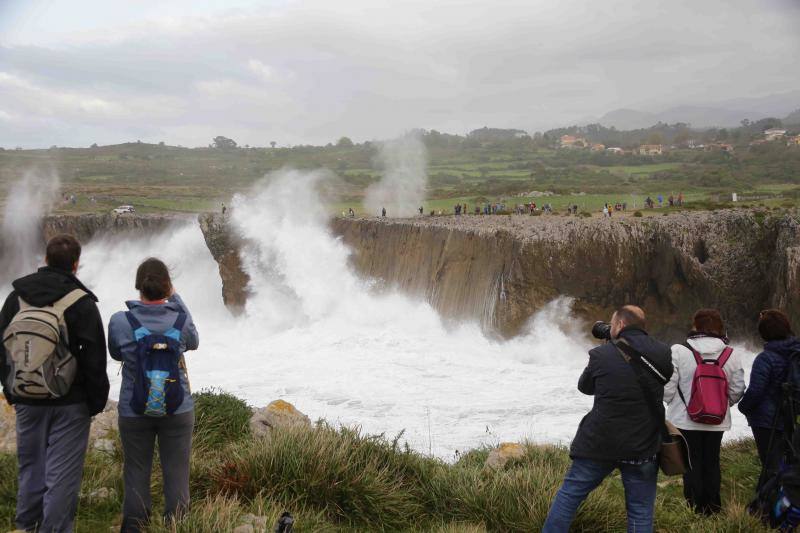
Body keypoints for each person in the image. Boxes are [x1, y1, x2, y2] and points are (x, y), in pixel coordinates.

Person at [0, 234, 109, 533]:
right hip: (70, 402)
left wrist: (11, 391)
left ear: (45, 260)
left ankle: (27, 526)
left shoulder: (15, 298)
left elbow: (2, 347)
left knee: (30, 466)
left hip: (25, 397)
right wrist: (94, 402)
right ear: (75, 265)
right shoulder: (81, 303)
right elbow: (95, 357)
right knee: (62, 474)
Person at [543, 306, 672, 533]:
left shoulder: (601, 355)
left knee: (569, 496)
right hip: (642, 445)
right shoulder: (663, 352)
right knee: (640, 511)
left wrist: (608, 351)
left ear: (620, 325)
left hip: (601, 443)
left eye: (612, 325)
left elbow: (585, 387)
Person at [108, 258, 199, 532]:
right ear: (167, 286)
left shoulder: (120, 321)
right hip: (178, 408)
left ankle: (135, 527)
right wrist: (176, 298)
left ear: (139, 286)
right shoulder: (181, 320)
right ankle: (177, 527)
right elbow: (193, 342)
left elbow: (114, 353)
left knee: (136, 470)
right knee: (177, 472)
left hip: (133, 410)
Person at [663, 309, 745, 515]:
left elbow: (667, 389)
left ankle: (694, 508)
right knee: (712, 461)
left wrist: (675, 405)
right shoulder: (731, 354)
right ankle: (713, 508)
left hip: (684, 419)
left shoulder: (679, 350)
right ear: (719, 328)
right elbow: (737, 390)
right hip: (717, 421)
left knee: (691, 463)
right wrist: (718, 407)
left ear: (695, 326)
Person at [739, 309, 800, 485]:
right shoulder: (796, 353)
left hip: (768, 423)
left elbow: (755, 392)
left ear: (764, 333)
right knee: (791, 463)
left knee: (771, 466)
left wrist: (743, 407)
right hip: (793, 417)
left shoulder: (765, 359)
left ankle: (769, 505)